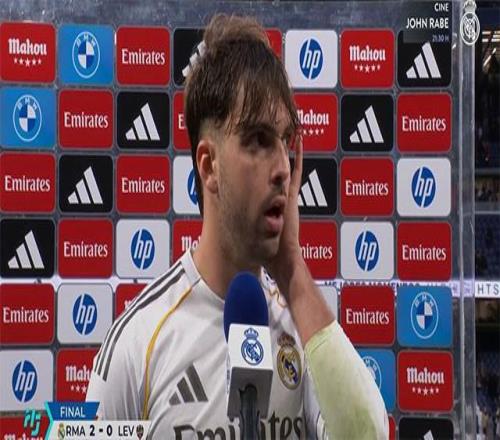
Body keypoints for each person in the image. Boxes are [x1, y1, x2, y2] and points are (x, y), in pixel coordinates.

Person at [86, 14, 388, 439]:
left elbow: (369, 434)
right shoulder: (138, 342)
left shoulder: (302, 328)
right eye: (258, 141)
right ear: (209, 166)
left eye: (285, 142)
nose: (283, 168)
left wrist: (292, 270)